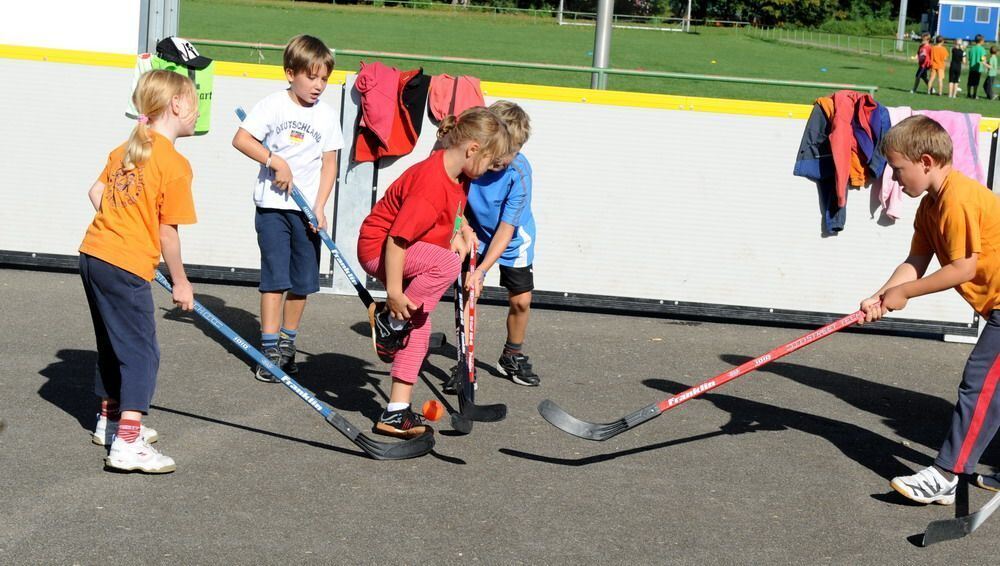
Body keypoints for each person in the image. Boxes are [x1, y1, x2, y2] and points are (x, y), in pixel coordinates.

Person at [859, 115, 1000, 504]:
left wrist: (905, 293)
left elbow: (962, 268)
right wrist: (881, 296)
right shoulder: (930, 208)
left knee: (980, 382)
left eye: (898, 169)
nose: (895, 179)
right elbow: (917, 259)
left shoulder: (959, 199)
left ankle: (946, 473)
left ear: (925, 161)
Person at [357, 106, 510, 438]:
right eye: (489, 162)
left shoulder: (458, 178)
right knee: (445, 265)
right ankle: (389, 322)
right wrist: (395, 297)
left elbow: (450, 213)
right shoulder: (430, 182)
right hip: (380, 250)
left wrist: (463, 227)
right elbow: (396, 242)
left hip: (407, 253)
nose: (490, 171)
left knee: (420, 324)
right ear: (472, 149)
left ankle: (395, 413)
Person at [80, 69, 199, 473]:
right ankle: (128, 443)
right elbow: (168, 232)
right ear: (178, 105)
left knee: (113, 344)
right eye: (196, 102)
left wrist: (120, 221)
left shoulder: (127, 148)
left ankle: (110, 421)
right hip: (125, 263)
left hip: (94, 254)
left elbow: (96, 192)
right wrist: (181, 283)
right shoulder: (175, 163)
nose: (199, 111)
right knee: (141, 353)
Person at [232, 35, 343, 382]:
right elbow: (242, 139)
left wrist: (320, 207)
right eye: (311, 77)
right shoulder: (272, 106)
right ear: (290, 73)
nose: (318, 85)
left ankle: (287, 344)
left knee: (302, 282)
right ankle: (268, 350)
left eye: (323, 78)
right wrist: (274, 160)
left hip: (306, 211)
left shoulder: (326, 116)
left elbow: (330, 164)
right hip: (272, 208)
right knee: (275, 279)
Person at [463, 101, 541, 387]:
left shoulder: (519, 173)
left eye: (515, 150)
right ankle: (464, 359)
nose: (506, 158)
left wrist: (483, 269)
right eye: (503, 149)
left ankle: (511, 356)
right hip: (474, 234)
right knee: (468, 297)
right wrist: (464, 229)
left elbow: (507, 228)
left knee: (521, 300)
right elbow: (454, 202)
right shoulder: (471, 161)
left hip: (512, 239)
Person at [966, 34, 987, 99]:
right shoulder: (982, 49)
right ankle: (974, 94)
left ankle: (969, 94)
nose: (984, 41)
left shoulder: (971, 48)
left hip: (972, 68)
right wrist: (985, 63)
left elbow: (969, 58)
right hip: (978, 68)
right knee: (976, 82)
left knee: (970, 81)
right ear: (981, 41)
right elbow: (983, 59)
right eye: (983, 40)